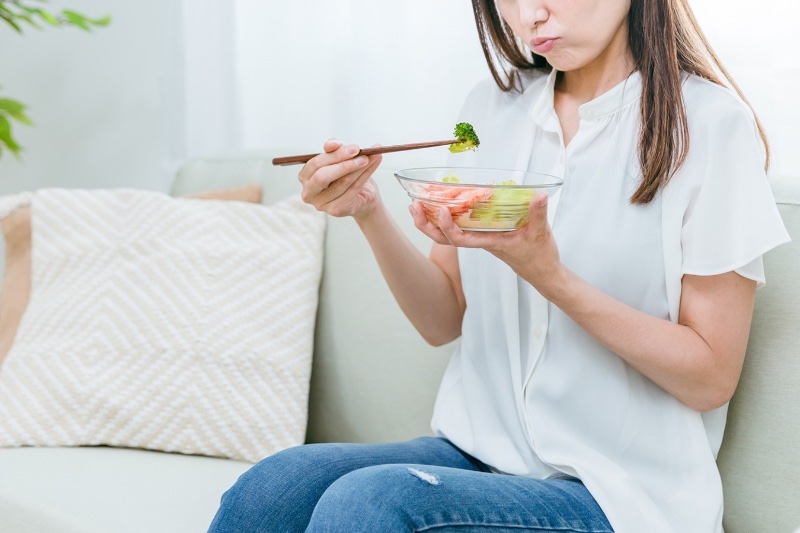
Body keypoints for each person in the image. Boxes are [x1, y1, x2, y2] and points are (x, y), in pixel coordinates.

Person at [209, 0, 790, 531]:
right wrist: (368, 213)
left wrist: (548, 275)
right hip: (478, 455)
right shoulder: (491, 110)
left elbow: (711, 376)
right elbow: (443, 319)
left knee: (369, 505)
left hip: (620, 495)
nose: (527, 15)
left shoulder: (711, 126)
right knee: (271, 488)